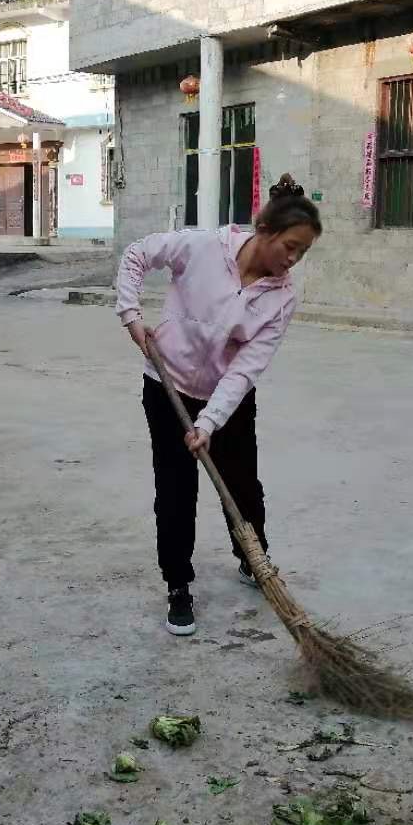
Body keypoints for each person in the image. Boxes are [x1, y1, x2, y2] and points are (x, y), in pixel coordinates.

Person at [115, 175, 322, 636]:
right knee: (175, 491)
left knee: (244, 486)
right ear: (263, 229)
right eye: (289, 246)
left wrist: (208, 422)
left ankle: (253, 558)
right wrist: (130, 314)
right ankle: (177, 584)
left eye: (301, 253)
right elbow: (137, 255)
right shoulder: (202, 247)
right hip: (167, 389)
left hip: (227, 400)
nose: (292, 259)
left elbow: (247, 367)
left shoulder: (281, 297)